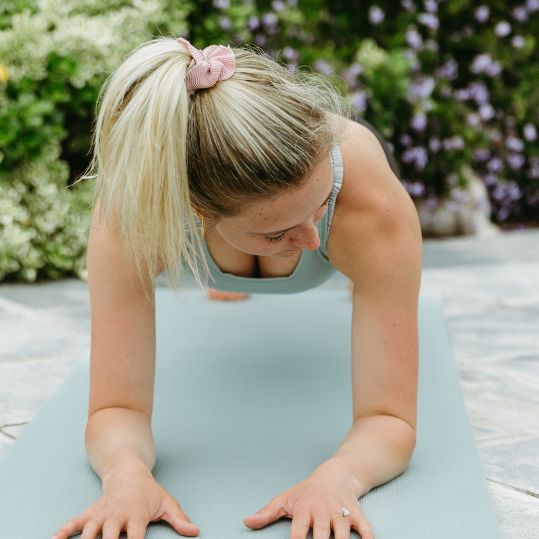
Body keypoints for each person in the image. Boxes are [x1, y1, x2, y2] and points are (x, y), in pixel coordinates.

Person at [51, 35, 422, 539]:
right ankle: (237, 261)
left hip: (351, 192)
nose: (313, 240)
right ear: (196, 212)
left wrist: (339, 477)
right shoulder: (129, 215)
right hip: (198, 222)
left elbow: (389, 417)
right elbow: (117, 406)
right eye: (279, 232)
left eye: (319, 206)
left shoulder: (369, 208)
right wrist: (125, 474)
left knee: (350, 239)